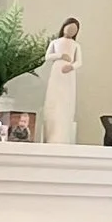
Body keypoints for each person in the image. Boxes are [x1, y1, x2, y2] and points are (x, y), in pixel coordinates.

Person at [40, 18, 81, 147]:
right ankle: (51, 135)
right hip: (57, 73)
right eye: (69, 28)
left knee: (66, 102)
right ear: (64, 27)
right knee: (54, 101)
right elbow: (47, 57)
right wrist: (60, 56)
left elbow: (79, 61)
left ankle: (63, 136)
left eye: (74, 29)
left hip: (68, 75)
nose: (71, 31)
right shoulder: (55, 42)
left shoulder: (76, 45)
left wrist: (71, 67)